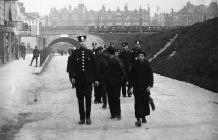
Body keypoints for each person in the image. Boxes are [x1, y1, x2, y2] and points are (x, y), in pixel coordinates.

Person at [67, 35, 99, 125]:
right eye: (81, 42)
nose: (83, 43)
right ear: (79, 43)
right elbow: (71, 66)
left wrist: (96, 79)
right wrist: (72, 77)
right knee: (80, 100)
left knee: (88, 99)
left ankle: (88, 117)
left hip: (88, 81)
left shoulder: (90, 53)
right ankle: (82, 117)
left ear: (86, 42)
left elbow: (95, 67)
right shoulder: (75, 53)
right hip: (79, 80)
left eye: (84, 42)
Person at [129, 49, 154, 127]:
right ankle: (138, 119)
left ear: (144, 57)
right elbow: (131, 77)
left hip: (145, 88)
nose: (140, 57)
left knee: (144, 102)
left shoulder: (147, 65)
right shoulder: (134, 65)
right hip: (137, 87)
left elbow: (151, 76)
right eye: (139, 56)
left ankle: (143, 117)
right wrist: (130, 87)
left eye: (142, 56)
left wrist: (150, 86)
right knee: (137, 103)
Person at [104, 46, 127, 120]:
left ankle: (118, 114)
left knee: (116, 98)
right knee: (110, 98)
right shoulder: (107, 60)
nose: (106, 53)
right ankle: (113, 114)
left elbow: (122, 71)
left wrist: (125, 80)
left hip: (116, 83)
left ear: (109, 52)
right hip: (108, 82)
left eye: (107, 52)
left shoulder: (117, 60)